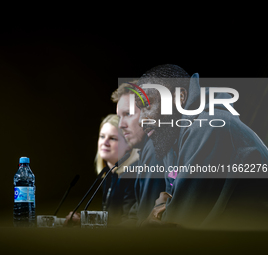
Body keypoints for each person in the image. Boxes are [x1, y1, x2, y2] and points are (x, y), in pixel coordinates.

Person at [136, 64, 268, 230]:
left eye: (147, 107)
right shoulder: (172, 139)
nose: (141, 120)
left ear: (180, 97)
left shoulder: (207, 126)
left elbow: (177, 222)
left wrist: (156, 215)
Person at [65, 114, 138, 226]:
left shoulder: (132, 175)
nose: (105, 142)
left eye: (113, 138)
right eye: (102, 136)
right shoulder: (109, 175)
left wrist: (86, 222)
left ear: (129, 144)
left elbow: (129, 223)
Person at [111, 81, 166, 225]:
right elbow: (135, 217)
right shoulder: (147, 150)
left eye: (128, 114)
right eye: (119, 117)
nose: (121, 125)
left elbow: (144, 221)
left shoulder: (154, 149)